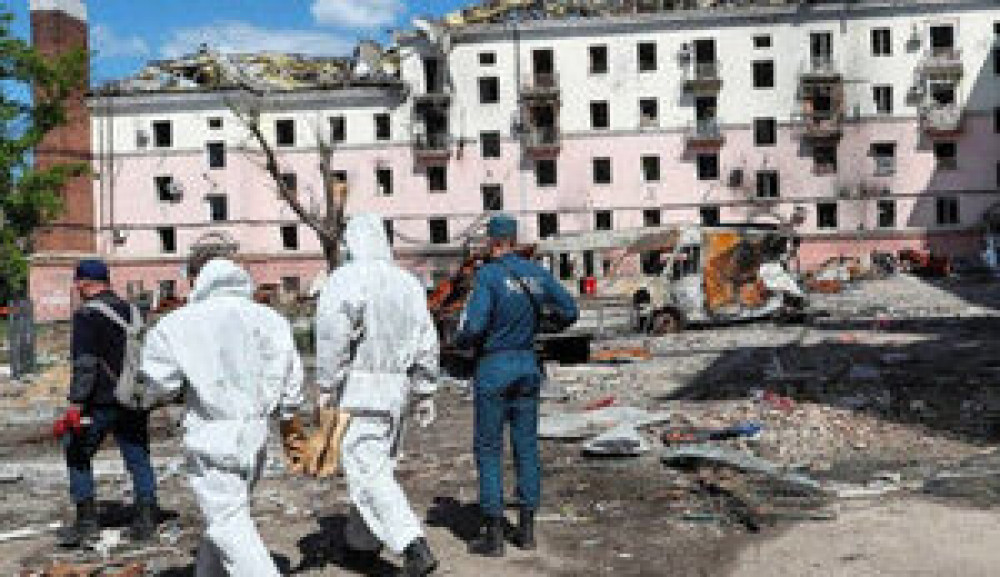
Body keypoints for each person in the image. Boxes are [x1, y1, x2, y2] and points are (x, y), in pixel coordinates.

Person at [140, 259, 304, 577]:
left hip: (212, 432)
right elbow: (291, 375)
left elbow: (161, 383)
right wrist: (287, 415)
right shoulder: (271, 320)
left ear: (200, 282)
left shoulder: (178, 323)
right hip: (256, 429)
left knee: (227, 521)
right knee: (229, 513)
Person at [315, 213, 440, 577]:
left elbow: (333, 335)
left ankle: (413, 545)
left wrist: (326, 385)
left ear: (352, 242)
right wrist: (425, 389)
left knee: (368, 472)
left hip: (360, 388)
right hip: (396, 390)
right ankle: (361, 546)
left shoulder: (345, 280)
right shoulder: (408, 284)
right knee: (374, 468)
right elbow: (427, 341)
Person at [454, 214, 578, 557]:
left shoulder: (488, 275)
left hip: (495, 367)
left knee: (489, 448)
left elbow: (474, 326)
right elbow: (570, 311)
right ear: (513, 239)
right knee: (526, 447)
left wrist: (461, 341)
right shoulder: (536, 273)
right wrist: (544, 326)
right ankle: (526, 531)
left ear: (493, 242)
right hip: (527, 365)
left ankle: (494, 535)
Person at [59, 258, 158, 547]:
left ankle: (86, 522)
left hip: (100, 401)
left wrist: (76, 404)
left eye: (78, 282)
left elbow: (86, 363)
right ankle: (146, 519)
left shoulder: (87, 314)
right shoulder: (133, 311)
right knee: (138, 456)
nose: (76, 287)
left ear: (84, 283)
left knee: (77, 453)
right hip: (133, 397)